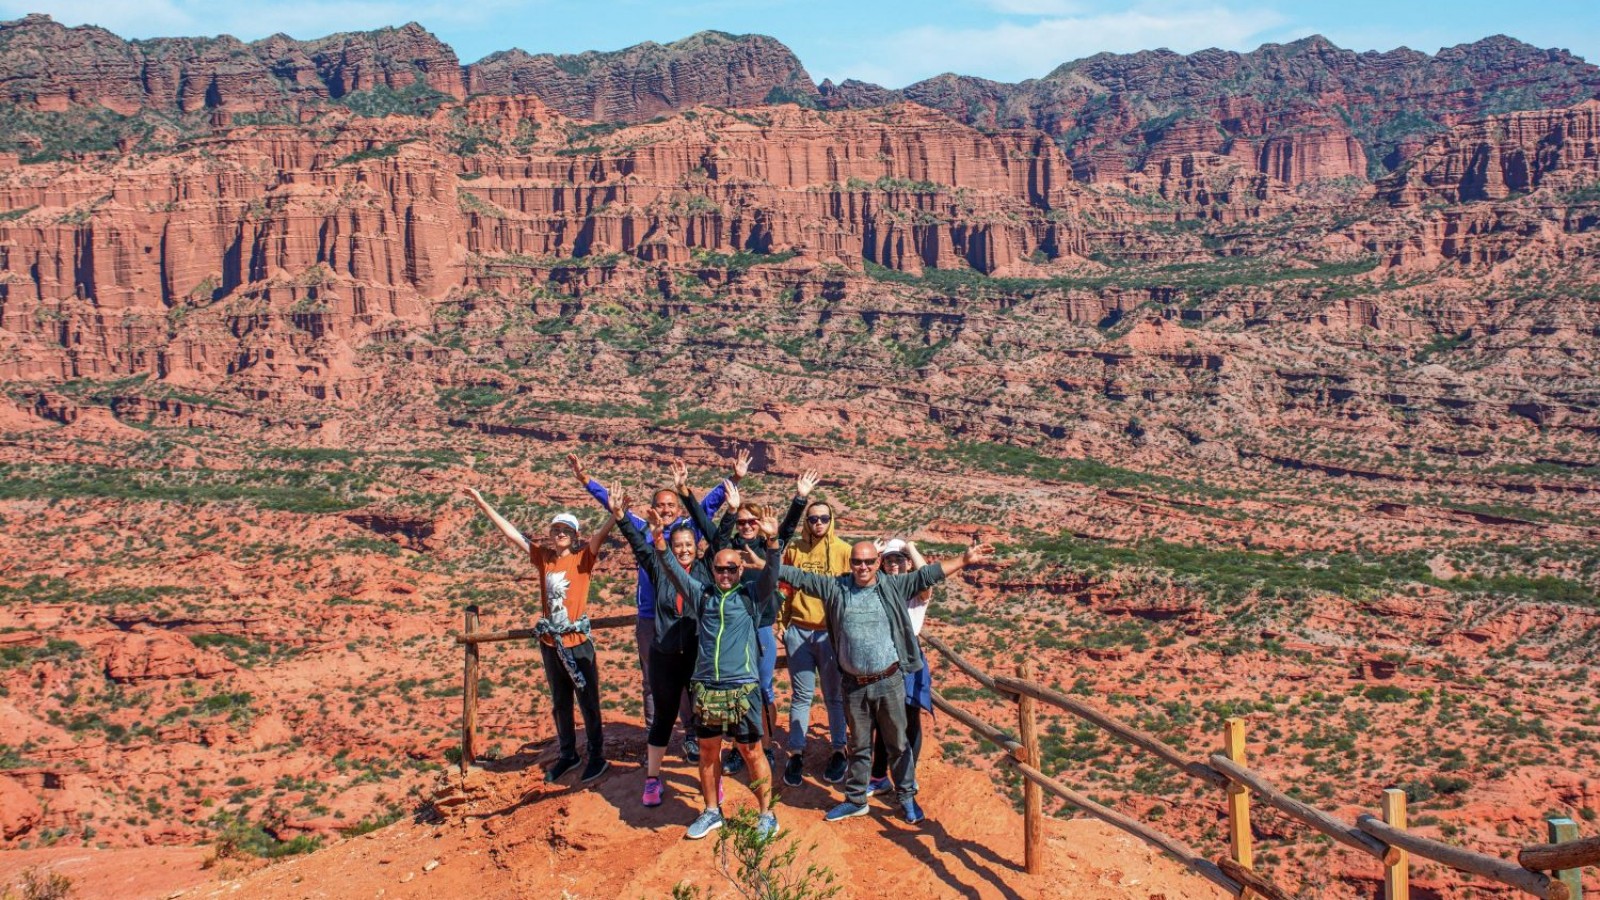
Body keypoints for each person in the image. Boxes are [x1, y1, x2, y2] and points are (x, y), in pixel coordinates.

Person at [779, 538, 995, 824]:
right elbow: (799, 578)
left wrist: (964, 561)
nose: (863, 567)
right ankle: (856, 799)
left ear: (878, 563)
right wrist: (769, 554)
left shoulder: (891, 586)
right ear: (851, 564)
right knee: (858, 744)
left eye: (869, 561)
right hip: (854, 684)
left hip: (889, 680)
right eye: (857, 562)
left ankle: (906, 796)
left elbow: (928, 575)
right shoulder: (837, 587)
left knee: (897, 743)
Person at [569, 451, 747, 762]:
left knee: (693, 678)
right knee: (652, 679)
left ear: (678, 508)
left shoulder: (688, 530)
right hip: (651, 618)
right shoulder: (644, 528)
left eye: (670, 505)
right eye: (661, 505)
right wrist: (585, 479)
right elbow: (613, 507)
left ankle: (693, 734)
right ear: (654, 508)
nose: (665, 510)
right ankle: (656, 733)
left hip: (688, 618)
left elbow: (710, 504)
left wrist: (734, 478)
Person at [462, 486, 617, 784]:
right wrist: (482, 502)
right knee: (560, 702)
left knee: (588, 701)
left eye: (565, 530)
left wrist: (616, 512)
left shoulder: (583, 558)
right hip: (550, 644)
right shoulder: (543, 557)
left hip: (577, 644)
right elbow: (511, 534)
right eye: (556, 529)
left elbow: (601, 535)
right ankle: (568, 754)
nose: (559, 534)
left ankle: (597, 757)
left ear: (574, 535)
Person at [657, 510, 783, 841]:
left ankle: (767, 814)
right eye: (719, 568)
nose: (725, 574)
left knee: (751, 751)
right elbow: (672, 570)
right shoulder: (703, 595)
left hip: (742, 686)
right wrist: (658, 540)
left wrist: (772, 543)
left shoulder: (751, 596)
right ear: (711, 570)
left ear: (741, 570)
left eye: (731, 568)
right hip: (707, 687)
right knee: (708, 749)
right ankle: (712, 811)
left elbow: (772, 574)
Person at [775, 470, 852, 787]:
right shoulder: (795, 550)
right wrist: (782, 622)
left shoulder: (845, 551)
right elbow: (784, 589)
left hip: (831, 634)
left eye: (823, 518)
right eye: (812, 519)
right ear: (806, 522)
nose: (817, 523)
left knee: (834, 697)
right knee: (801, 697)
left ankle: (839, 750)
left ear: (830, 521)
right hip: (800, 633)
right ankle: (795, 752)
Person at [869, 539, 934, 796]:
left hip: (909, 657)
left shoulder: (918, 592)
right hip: (883, 656)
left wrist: (910, 547)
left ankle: (908, 777)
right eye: (889, 560)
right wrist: (875, 553)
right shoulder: (879, 587)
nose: (894, 564)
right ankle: (878, 776)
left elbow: (927, 576)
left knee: (910, 719)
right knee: (883, 717)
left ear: (907, 562)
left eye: (899, 559)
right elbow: (855, 575)